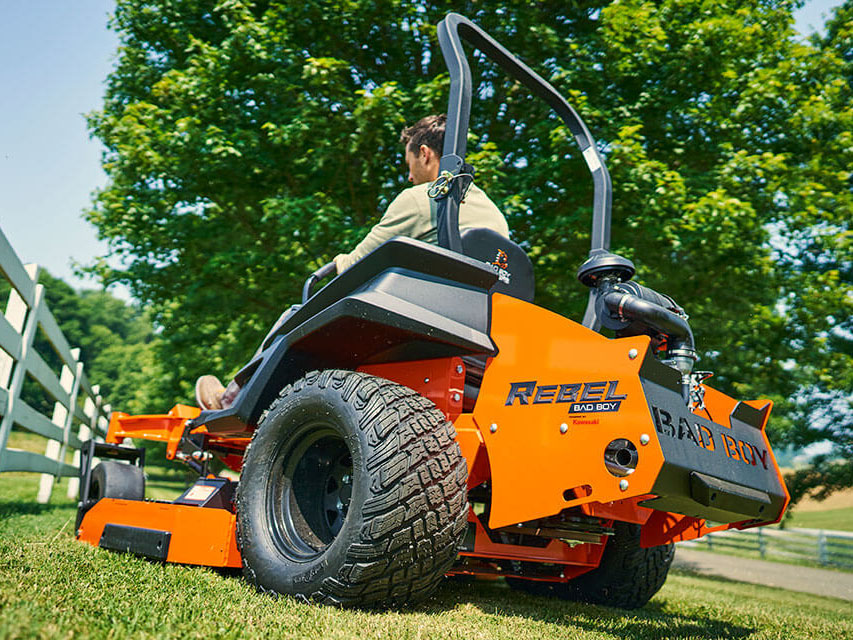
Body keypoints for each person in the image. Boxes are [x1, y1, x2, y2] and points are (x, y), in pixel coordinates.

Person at [195, 114, 509, 411]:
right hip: (480, 343)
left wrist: (336, 262)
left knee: (295, 316)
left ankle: (232, 398)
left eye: (410, 164)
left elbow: (359, 265)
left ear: (425, 154)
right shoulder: (495, 215)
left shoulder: (423, 197)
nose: (410, 175)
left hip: (419, 333)